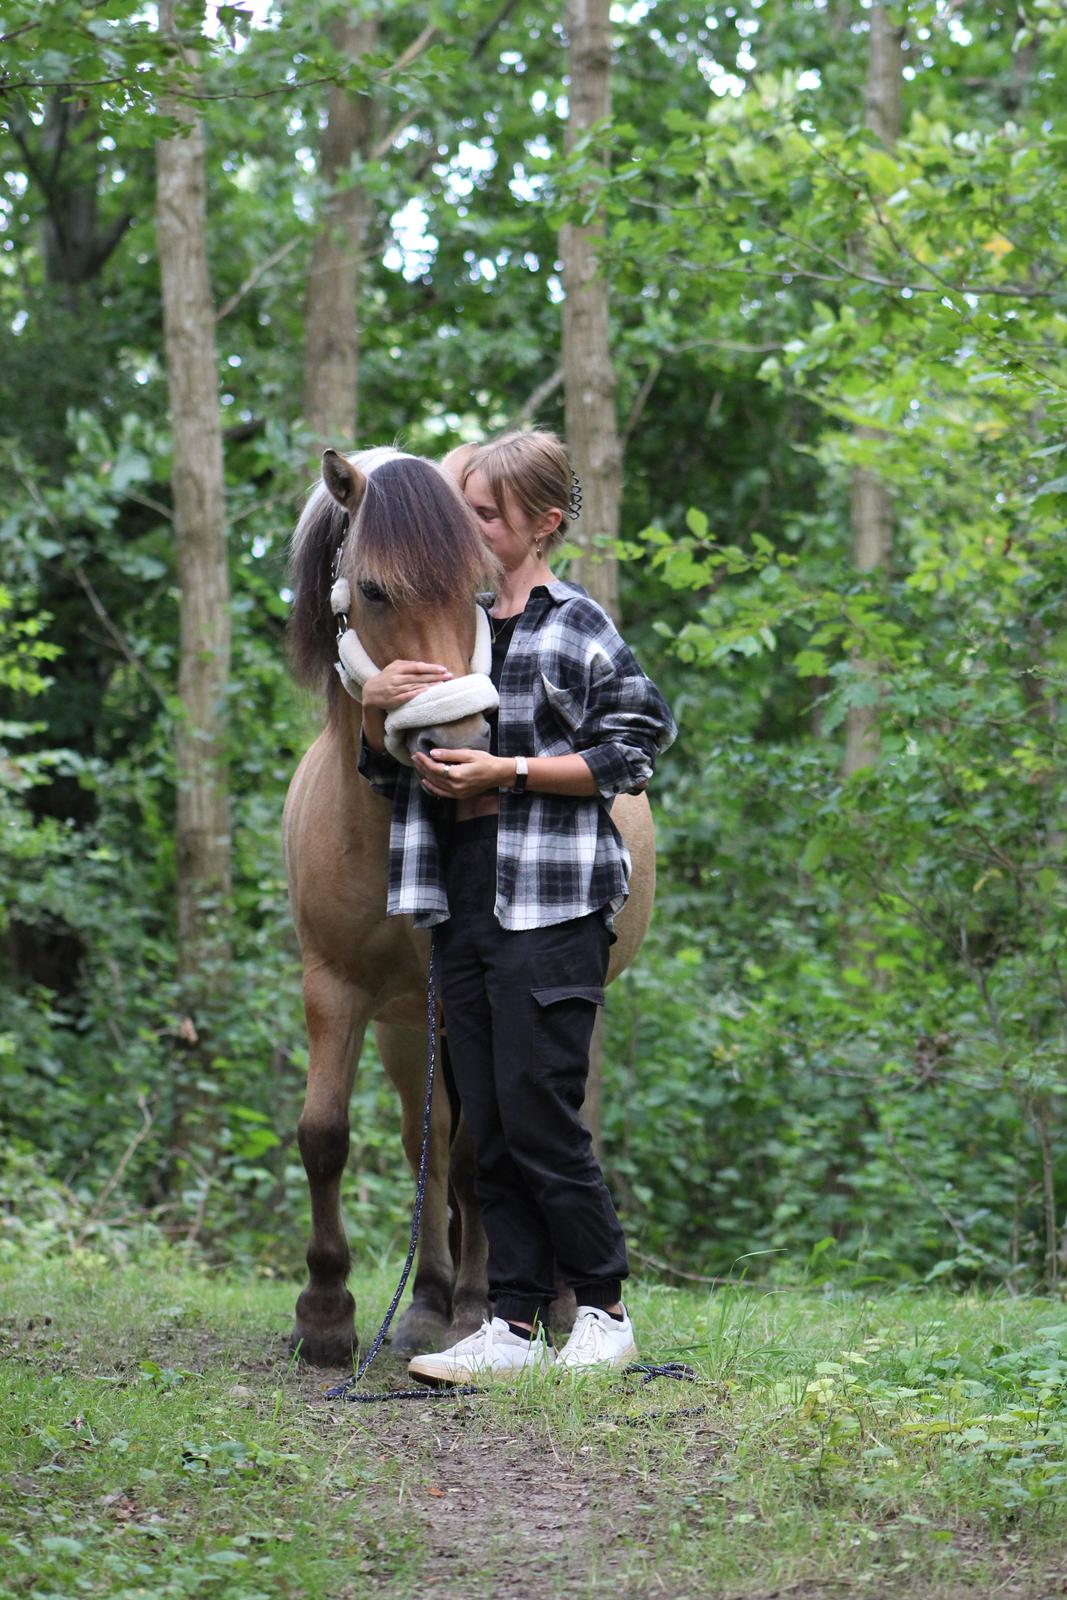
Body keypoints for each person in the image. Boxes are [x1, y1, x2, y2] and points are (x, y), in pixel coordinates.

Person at [358, 429, 676, 1383]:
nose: (470, 528)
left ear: (542, 524)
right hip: (459, 893)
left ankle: (606, 1310)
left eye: (487, 514)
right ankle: (512, 1324)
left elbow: (637, 742)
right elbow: (388, 781)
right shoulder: (452, 625)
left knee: (540, 1111)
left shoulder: (572, 621)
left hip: (554, 896)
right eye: (464, 511)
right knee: (483, 1118)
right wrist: (377, 712)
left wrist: (512, 770)